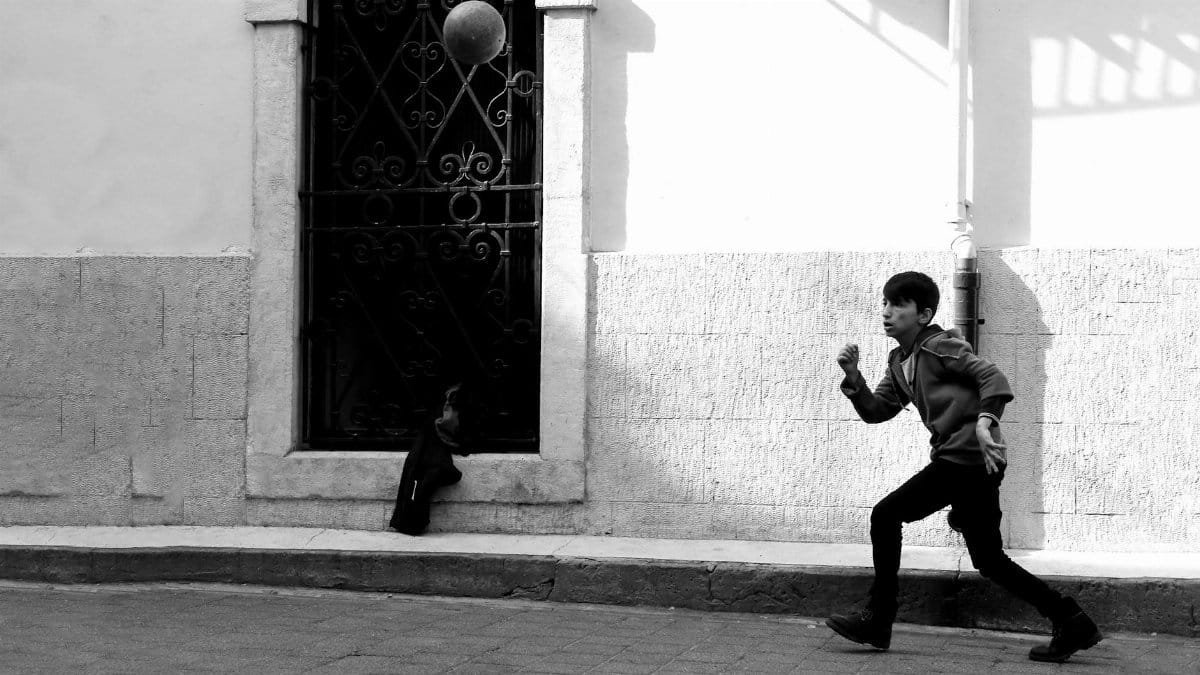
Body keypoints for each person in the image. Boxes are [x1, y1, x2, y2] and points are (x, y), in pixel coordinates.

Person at [825, 271, 1102, 663]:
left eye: (898, 304)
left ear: (923, 315)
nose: (887, 312)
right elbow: (876, 410)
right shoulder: (900, 361)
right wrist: (854, 379)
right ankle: (1071, 620)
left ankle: (878, 618)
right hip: (972, 464)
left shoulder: (939, 346)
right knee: (989, 561)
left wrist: (986, 421)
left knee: (885, 516)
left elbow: (992, 376)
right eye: (885, 303)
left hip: (965, 459)